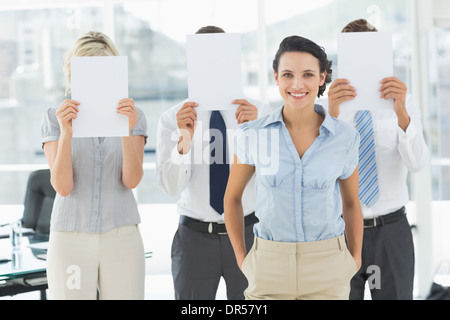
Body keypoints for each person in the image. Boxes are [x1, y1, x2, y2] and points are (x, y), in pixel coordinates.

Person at [224, 35, 363, 300]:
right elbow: (232, 198)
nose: (297, 84)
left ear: (322, 78)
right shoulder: (252, 135)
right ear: (276, 77)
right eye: (288, 74)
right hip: (268, 267)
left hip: (328, 267)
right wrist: (244, 260)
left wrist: (353, 260)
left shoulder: (344, 137)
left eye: (308, 74)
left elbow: (351, 203)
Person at [156, 25, 271, 300]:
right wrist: (184, 141)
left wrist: (257, 133)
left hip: (248, 233)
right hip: (194, 237)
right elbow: (170, 187)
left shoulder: (259, 113)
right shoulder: (173, 118)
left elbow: (274, 181)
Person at [327, 19, 429, 300]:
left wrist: (403, 116)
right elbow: (318, 171)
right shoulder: (328, 109)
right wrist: (332, 116)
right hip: (341, 233)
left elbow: (418, 164)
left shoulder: (404, 103)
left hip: (391, 232)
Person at [41, 31, 147, 300]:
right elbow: (62, 187)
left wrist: (126, 129)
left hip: (121, 235)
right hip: (70, 237)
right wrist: (66, 133)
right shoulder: (54, 118)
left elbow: (132, 180)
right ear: (73, 74)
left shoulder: (134, 116)